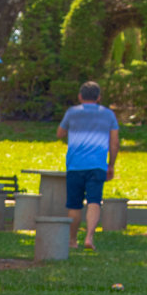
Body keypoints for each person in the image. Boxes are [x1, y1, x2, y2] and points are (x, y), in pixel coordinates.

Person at [56, 81, 120, 250]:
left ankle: (72, 240)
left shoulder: (72, 112)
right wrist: (111, 165)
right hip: (97, 165)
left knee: (74, 204)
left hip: (75, 165)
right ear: (99, 97)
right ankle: (89, 236)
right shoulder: (109, 115)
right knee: (94, 201)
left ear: (79, 96)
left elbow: (59, 133)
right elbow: (114, 143)